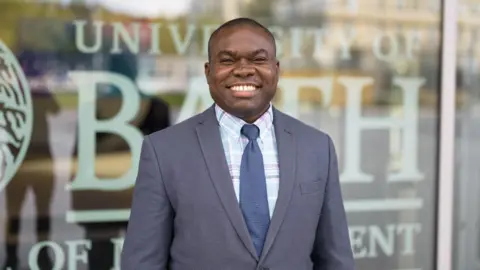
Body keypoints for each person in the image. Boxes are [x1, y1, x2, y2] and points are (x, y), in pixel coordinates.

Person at [121, 17, 355, 269]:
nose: (244, 69)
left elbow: (336, 258)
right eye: (228, 60)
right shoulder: (163, 151)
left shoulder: (317, 147)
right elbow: (142, 262)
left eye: (258, 59)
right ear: (208, 72)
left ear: (276, 69)